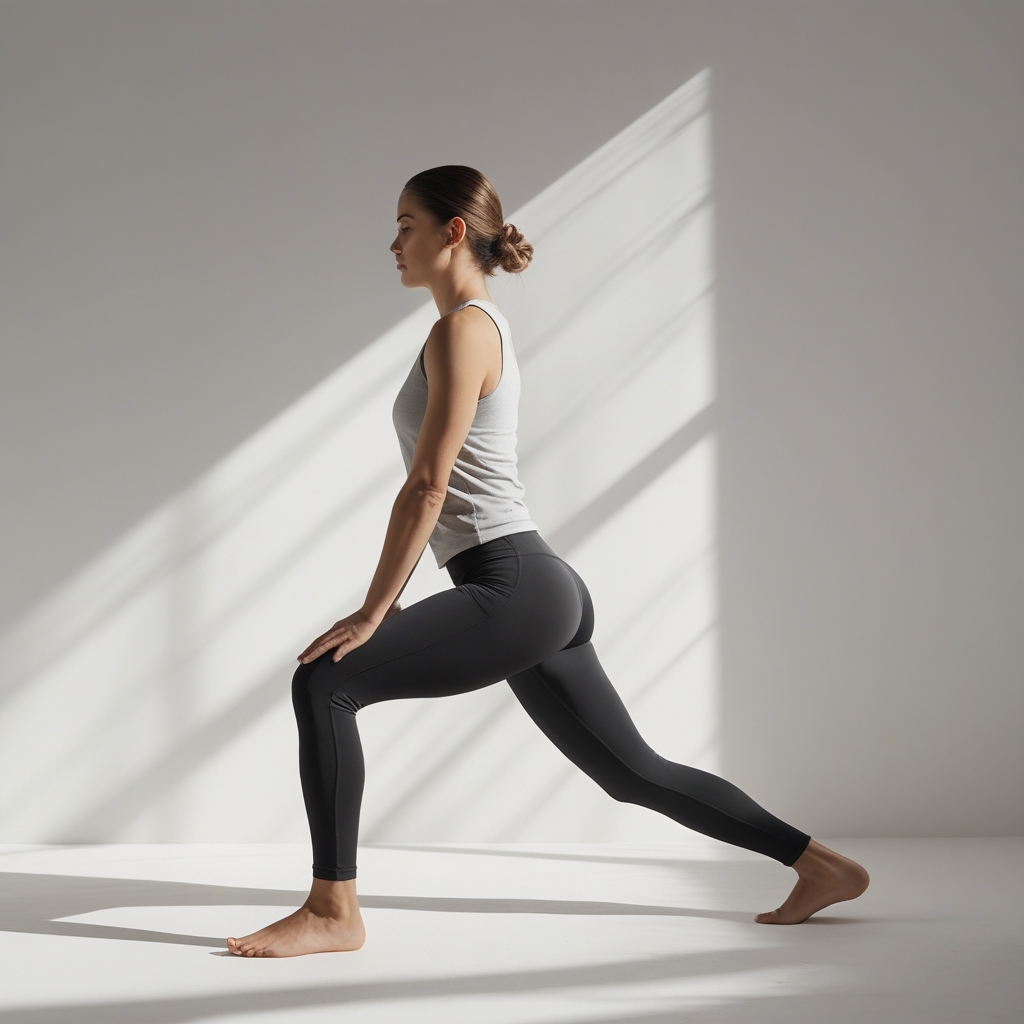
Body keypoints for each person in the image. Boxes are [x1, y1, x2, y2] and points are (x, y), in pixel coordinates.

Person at [227, 165, 869, 958]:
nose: (393, 242)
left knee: (325, 680)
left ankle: (333, 910)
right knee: (633, 774)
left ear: (452, 231)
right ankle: (821, 865)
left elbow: (427, 486)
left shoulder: (463, 328)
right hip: (534, 584)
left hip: (512, 583)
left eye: (405, 224)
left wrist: (373, 612)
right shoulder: (470, 327)